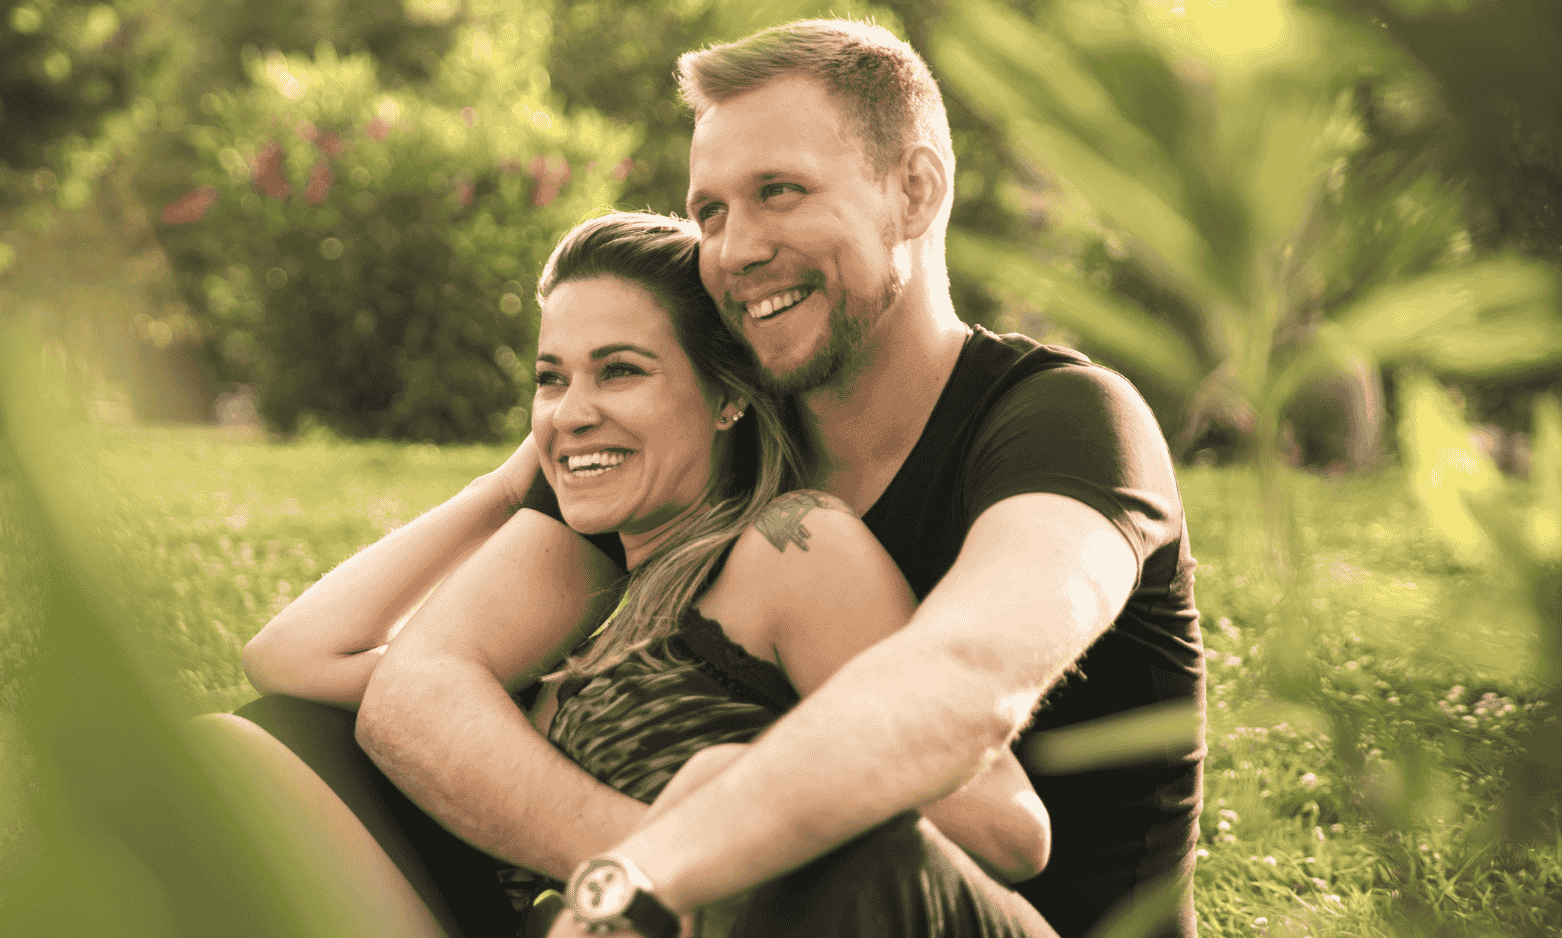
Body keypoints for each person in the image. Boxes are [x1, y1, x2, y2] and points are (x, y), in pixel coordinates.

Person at [349, 19, 1204, 938]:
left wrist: (663, 870)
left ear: (912, 191)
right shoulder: (724, 438)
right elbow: (419, 688)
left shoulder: (1066, 423)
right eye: (710, 211)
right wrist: (644, 863)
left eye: (779, 193)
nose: (734, 249)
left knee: (831, 835)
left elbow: (966, 680)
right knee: (285, 748)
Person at [242, 212, 1056, 936]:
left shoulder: (791, 547)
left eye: (620, 370)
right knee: (236, 752)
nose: (571, 408)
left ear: (726, 394)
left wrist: (697, 844)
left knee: (712, 774)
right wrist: (505, 487)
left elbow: (1003, 825)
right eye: (551, 378)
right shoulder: (596, 614)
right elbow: (296, 658)